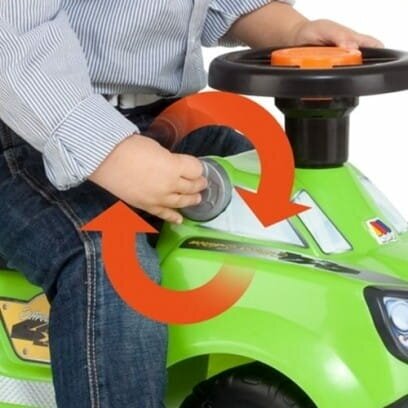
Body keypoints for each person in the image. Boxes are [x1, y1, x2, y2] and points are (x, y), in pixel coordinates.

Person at [0, 1, 382, 407]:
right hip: (30, 130)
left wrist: (291, 32)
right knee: (108, 261)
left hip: (161, 118)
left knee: (283, 208)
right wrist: (111, 153)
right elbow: (11, 33)